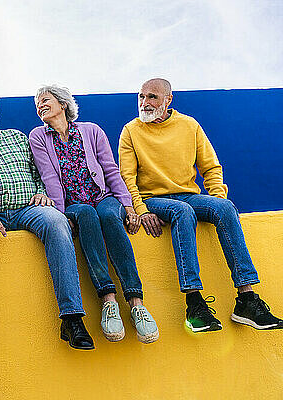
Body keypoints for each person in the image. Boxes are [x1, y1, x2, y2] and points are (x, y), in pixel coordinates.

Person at [118, 78, 283, 333]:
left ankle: (247, 299)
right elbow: (126, 177)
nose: (145, 102)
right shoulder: (130, 130)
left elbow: (211, 167)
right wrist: (141, 209)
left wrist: (217, 198)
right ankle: (194, 304)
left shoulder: (189, 125)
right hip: (154, 199)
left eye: (152, 97)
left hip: (189, 195)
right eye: (141, 96)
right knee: (182, 213)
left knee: (225, 207)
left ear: (168, 100)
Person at [0, 89, 94, 351]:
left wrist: (43, 194)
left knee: (57, 222)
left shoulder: (17, 138)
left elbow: (40, 172)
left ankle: (72, 318)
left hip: (27, 208)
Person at [29, 85, 159, 344]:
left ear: (63, 104)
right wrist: (61, 213)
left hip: (105, 198)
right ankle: (108, 300)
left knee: (110, 217)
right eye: (37, 104)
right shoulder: (38, 137)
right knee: (87, 216)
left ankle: (136, 303)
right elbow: (49, 177)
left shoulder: (91, 131)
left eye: (45, 100)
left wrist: (129, 205)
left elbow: (110, 170)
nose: (40, 106)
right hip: (75, 204)